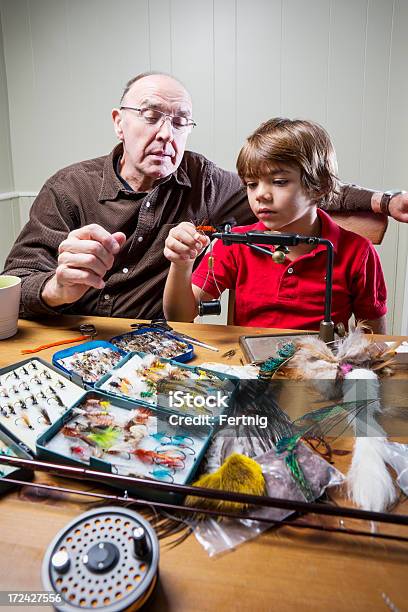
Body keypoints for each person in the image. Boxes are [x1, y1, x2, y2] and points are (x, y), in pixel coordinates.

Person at [3, 72, 406, 320]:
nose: (166, 133)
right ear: (118, 123)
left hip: (155, 348)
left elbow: (300, 184)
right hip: (66, 337)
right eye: (150, 115)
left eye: (180, 122)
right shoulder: (68, 187)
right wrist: (57, 288)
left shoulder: (208, 182)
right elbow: (14, 284)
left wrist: (382, 202)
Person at [163, 118, 387, 333]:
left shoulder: (358, 252)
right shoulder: (235, 245)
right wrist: (181, 265)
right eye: (251, 184)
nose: (261, 194)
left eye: (279, 182)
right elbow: (180, 317)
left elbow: (374, 339)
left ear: (320, 186)